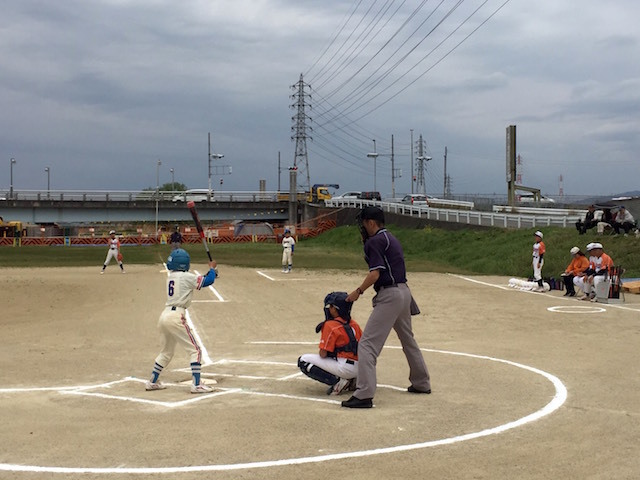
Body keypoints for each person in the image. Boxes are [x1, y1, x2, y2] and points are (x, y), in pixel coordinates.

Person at [342, 206, 431, 409]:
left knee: (366, 345)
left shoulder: (375, 241)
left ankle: (364, 394)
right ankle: (421, 382)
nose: (362, 228)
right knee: (408, 340)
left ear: (371, 223)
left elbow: (375, 274)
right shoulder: (391, 237)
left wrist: (358, 291)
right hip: (404, 293)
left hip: (390, 295)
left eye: (364, 223)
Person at [145, 248, 218, 393]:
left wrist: (211, 273)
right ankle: (197, 385)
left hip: (165, 316)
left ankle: (152, 381)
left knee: (166, 352)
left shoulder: (171, 276)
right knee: (195, 350)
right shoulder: (186, 277)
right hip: (176, 317)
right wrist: (212, 269)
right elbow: (207, 281)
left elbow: (198, 280)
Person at [298, 291, 362, 395]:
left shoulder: (330, 325)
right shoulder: (354, 324)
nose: (329, 308)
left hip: (345, 368)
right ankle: (353, 380)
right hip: (361, 368)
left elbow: (323, 354)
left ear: (336, 309)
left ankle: (337, 382)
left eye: (331, 306)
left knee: (303, 360)